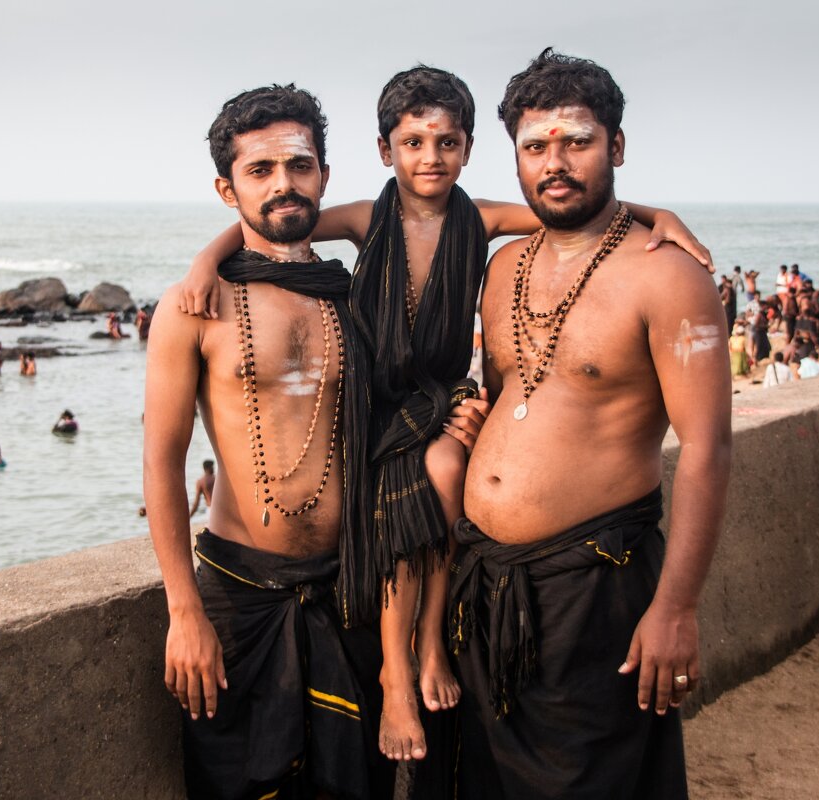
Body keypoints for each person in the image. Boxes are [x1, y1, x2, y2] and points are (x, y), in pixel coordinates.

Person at [177, 65, 708, 768]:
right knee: (418, 482)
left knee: (446, 466)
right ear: (383, 150)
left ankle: (429, 642)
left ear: (468, 147)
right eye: (413, 143)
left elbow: (569, 207)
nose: (431, 158)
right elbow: (258, 228)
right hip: (383, 398)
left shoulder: (481, 217)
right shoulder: (368, 217)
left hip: (440, 395)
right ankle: (401, 665)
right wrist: (203, 263)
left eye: (447, 143)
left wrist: (655, 215)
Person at [454, 49, 731, 799]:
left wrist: (675, 607)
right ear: (514, 158)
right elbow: (513, 393)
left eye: (577, 141)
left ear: (616, 146)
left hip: (597, 587)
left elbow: (706, 449)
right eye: (536, 147)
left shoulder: (668, 275)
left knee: (591, 781)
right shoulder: (502, 266)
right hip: (485, 585)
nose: (556, 163)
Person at [146, 84, 399, 800]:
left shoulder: (352, 292)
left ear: (323, 174)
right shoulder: (196, 305)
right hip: (240, 596)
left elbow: (454, 221)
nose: (283, 183)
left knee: (358, 783)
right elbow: (162, 464)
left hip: (348, 588)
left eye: (299, 164)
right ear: (227, 189)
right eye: (260, 170)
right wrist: (183, 612)